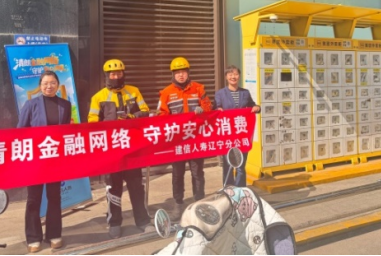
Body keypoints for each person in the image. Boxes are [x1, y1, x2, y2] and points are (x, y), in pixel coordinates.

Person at [88, 59, 153, 239]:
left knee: (136, 187)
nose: (116, 77)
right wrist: (109, 124)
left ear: (124, 74)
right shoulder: (98, 97)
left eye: (119, 73)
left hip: (132, 149)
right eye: (112, 74)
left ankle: (143, 221)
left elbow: (146, 111)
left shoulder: (134, 91)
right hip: (112, 151)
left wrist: (132, 116)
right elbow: (92, 122)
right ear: (107, 76)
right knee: (113, 188)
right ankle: (114, 223)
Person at [18, 70, 72, 253]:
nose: (49, 86)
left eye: (52, 83)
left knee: (54, 197)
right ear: (40, 86)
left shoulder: (65, 105)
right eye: (45, 83)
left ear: (58, 85)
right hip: (35, 160)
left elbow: (66, 133)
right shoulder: (30, 105)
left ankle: (54, 235)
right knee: (33, 199)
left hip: (55, 160)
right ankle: (33, 238)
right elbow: (20, 132)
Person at [158, 56, 212, 221]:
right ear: (173, 74)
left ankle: (199, 202)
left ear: (188, 73)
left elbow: (209, 107)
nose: (181, 75)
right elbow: (161, 116)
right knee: (177, 174)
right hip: (178, 142)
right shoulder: (166, 93)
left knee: (197, 173)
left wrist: (202, 110)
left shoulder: (199, 88)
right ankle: (178, 204)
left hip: (195, 140)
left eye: (183, 72)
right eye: (177, 72)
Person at [214, 65, 260, 187]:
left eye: (235, 74)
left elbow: (253, 105)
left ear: (239, 76)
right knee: (228, 164)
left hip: (241, 134)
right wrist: (218, 110)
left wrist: (257, 107)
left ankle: (240, 189)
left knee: (241, 164)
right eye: (230, 74)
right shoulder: (220, 94)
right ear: (226, 77)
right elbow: (215, 108)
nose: (233, 77)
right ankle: (229, 189)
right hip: (227, 134)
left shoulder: (245, 92)